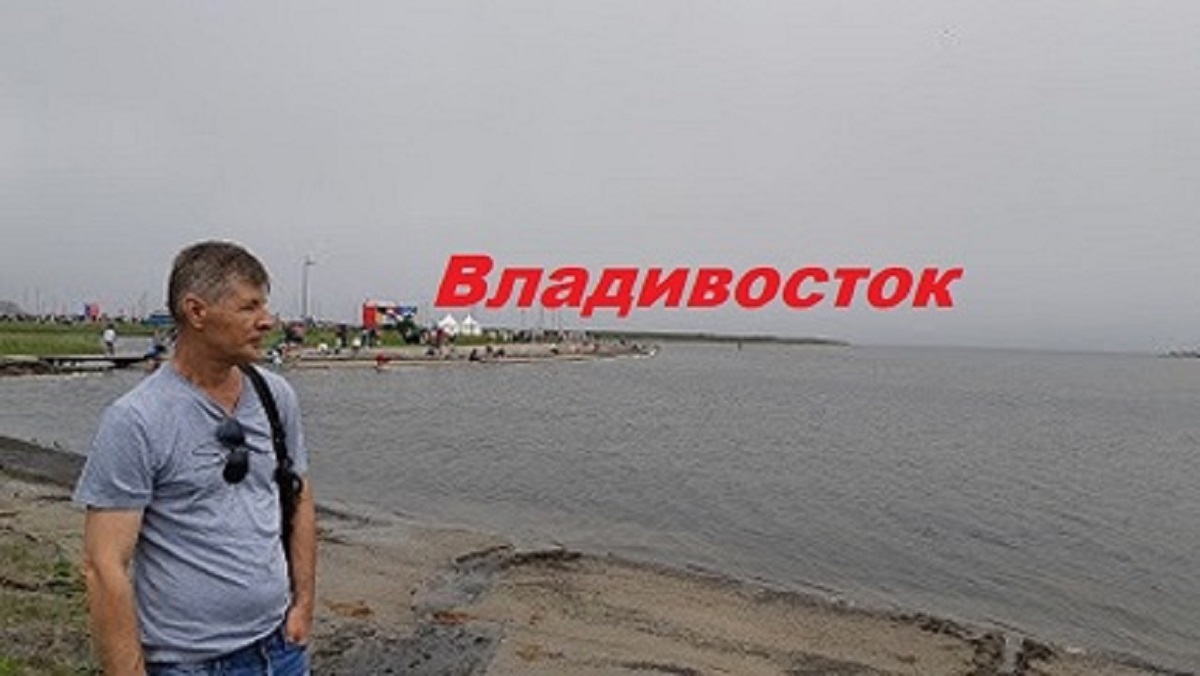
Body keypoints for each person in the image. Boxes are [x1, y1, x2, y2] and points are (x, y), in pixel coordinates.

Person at [74, 241, 317, 675]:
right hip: (190, 663)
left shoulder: (275, 396)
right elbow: (103, 564)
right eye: (250, 307)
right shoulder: (137, 420)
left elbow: (299, 497)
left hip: (281, 648)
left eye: (265, 305)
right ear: (197, 312)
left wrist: (303, 605)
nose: (268, 320)